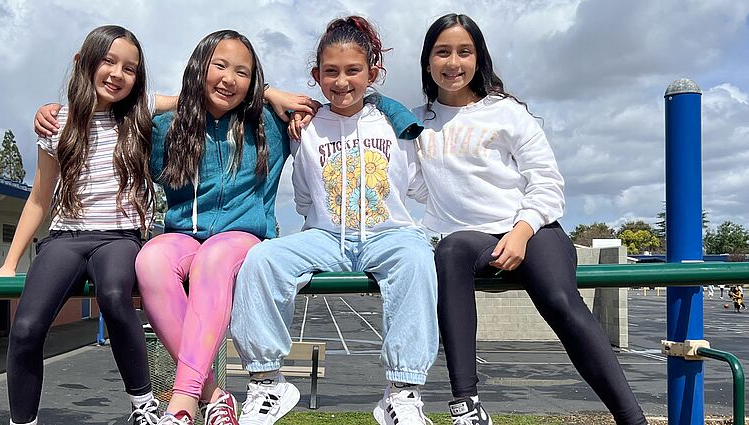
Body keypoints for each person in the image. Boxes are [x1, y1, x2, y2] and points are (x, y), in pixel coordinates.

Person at [34, 30, 320, 424]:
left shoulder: (269, 122)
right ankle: (215, 396)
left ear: (253, 82)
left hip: (242, 237)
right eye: (219, 66)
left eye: (243, 72)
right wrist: (55, 109)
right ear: (199, 68)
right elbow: (114, 111)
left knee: (214, 256)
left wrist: (276, 96)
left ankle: (183, 401)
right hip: (183, 235)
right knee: (150, 259)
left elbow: (333, 109)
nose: (229, 79)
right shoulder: (167, 128)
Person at [412, 13, 648, 425]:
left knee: (560, 301)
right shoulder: (417, 123)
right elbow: (406, 175)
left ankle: (632, 419)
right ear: (428, 61)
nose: (453, 62)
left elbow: (548, 182)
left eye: (464, 52)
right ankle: (466, 407)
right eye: (442, 52)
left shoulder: (506, 112)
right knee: (449, 250)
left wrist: (522, 231)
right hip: (472, 239)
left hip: (532, 230)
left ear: (478, 58)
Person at [230, 16, 437, 425]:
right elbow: (305, 195)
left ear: (372, 73)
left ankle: (402, 392)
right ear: (316, 75)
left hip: (387, 232)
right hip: (325, 234)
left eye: (353, 70)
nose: (341, 81)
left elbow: (418, 187)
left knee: (417, 259)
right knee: (262, 260)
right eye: (331, 72)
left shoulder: (394, 123)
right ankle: (268, 382)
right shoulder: (304, 128)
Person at [0, 25, 161, 425]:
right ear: (81, 63)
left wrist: (270, 93)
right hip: (66, 237)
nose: (118, 74)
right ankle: (23, 421)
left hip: (119, 237)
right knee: (27, 327)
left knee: (115, 295)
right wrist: (10, 262)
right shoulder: (56, 125)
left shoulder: (142, 111)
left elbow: (202, 96)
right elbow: (39, 199)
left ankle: (143, 405)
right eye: (108, 61)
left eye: (130, 68)